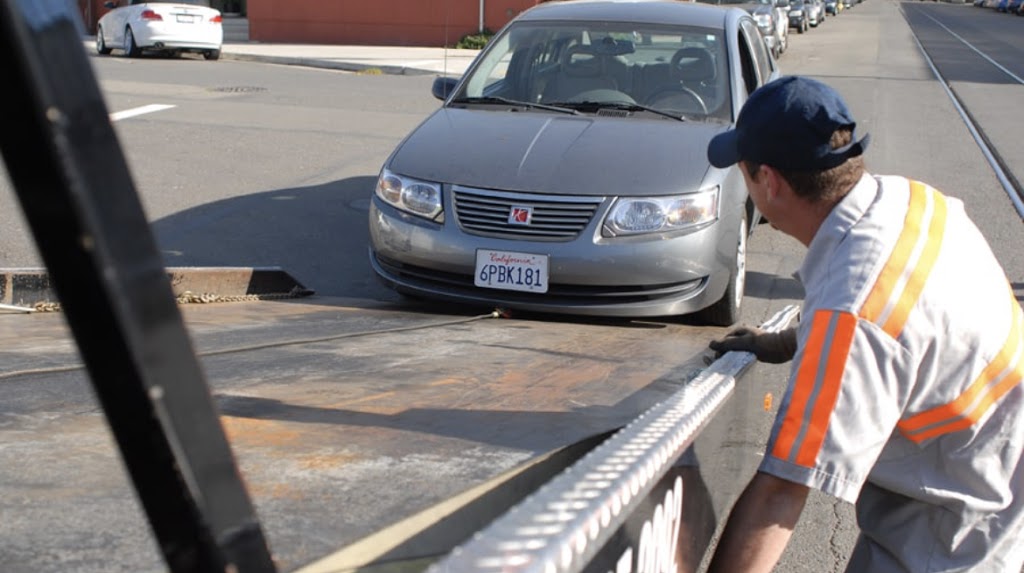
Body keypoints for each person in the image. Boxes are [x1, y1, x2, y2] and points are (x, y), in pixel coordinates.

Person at [702, 75, 1024, 573]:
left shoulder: (853, 312)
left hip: (955, 537)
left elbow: (781, 492)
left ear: (770, 182)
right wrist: (786, 341)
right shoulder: (911, 201)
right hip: (995, 474)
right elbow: (902, 325)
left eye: (743, 174)